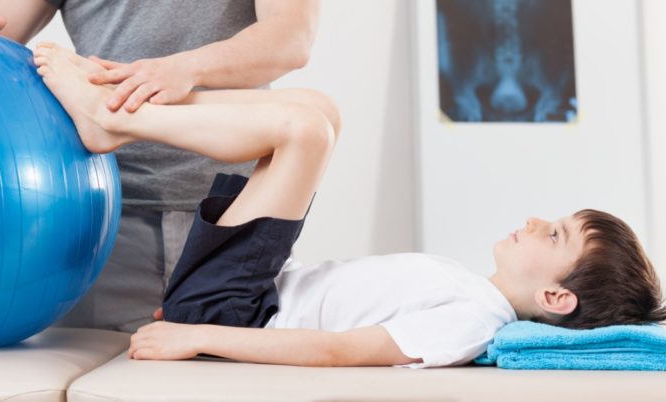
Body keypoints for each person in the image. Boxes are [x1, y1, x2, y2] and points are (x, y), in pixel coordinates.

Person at [34, 44, 666, 367]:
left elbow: (338, 352)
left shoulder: (473, 323)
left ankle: (112, 120)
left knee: (304, 133)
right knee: (318, 110)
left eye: (552, 236)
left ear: (557, 298)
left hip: (235, 314)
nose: (533, 222)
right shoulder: (470, 288)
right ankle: (121, 114)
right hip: (245, 292)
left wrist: (193, 335)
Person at [0, 0, 321, 332]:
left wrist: (187, 68)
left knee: (223, 384)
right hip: (101, 223)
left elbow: (291, 36)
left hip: (236, 216)